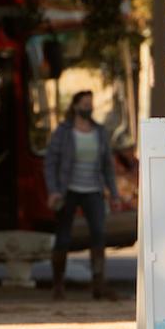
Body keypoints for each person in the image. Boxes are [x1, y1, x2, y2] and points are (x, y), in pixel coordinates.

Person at [44, 90, 121, 301]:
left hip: (93, 190)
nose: (89, 107)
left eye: (91, 103)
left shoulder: (99, 131)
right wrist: (54, 191)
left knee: (98, 234)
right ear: (76, 106)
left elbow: (107, 166)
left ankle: (99, 284)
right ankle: (58, 285)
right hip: (67, 191)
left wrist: (114, 194)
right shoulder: (64, 131)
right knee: (63, 237)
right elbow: (50, 162)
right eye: (85, 104)